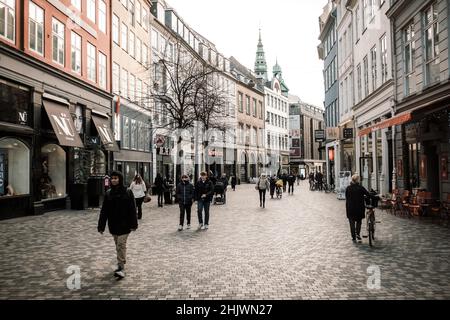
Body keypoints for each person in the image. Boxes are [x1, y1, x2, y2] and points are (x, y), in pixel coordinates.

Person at [98, 171, 138, 279]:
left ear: (120, 179)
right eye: (112, 178)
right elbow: (104, 211)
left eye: (116, 178)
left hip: (125, 225)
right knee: (118, 246)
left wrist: (134, 224)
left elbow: (132, 209)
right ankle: (120, 265)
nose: (114, 180)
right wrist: (101, 226)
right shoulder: (108, 193)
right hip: (114, 225)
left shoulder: (128, 192)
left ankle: (121, 268)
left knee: (121, 245)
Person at [345, 174, 370, 243]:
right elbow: (368, 194)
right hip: (359, 208)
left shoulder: (348, 188)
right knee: (359, 221)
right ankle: (357, 234)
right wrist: (377, 196)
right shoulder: (360, 188)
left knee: (351, 223)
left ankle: (353, 237)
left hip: (350, 208)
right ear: (357, 180)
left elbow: (347, 198)